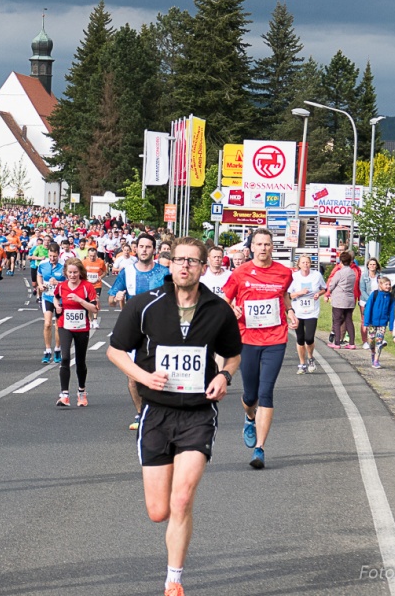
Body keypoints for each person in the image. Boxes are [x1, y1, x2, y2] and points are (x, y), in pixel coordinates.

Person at [106, 236, 242, 596]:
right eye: (179, 260)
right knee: (157, 510)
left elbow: (233, 355)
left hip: (198, 413)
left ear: (202, 267)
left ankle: (174, 580)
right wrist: (143, 376)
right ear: (170, 265)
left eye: (192, 261)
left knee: (182, 499)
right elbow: (115, 351)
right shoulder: (145, 305)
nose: (184, 266)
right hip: (157, 413)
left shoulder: (218, 309)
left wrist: (224, 376)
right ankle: (173, 561)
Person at [221, 228, 295, 469]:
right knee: (250, 395)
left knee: (266, 392)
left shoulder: (284, 273)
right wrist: (232, 310)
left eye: (267, 244)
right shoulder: (240, 273)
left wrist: (290, 311)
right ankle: (249, 416)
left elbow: (284, 295)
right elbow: (225, 298)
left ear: (272, 247)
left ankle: (260, 449)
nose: (263, 248)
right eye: (259, 244)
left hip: (275, 338)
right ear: (251, 247)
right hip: (247, 338)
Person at [109, 233, 172, 430]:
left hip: (160, 330)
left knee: (161, 373)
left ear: (154, 250)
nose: (144, 250)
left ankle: (163, 411)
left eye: (148, 247)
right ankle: (141, 413)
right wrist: (117, 296)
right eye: (141, 246)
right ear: (136, 249)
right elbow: (111, 299)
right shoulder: (127, 272)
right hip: (134, 329)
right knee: (133, 377)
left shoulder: (164, 273)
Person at [53, 257, 98, 407]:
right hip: (64, 325)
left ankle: (81, 392)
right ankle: (64, 394)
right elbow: (55, 297)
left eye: (75, 273)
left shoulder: (87, 287)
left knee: (80, 361)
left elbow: (95, 308)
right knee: (65, 358)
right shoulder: (61, 286)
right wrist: (57, 307)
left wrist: (80, 300)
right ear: (65, 273)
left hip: (81, 327)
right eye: (69, 272)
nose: (72, 275)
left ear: (80, 273)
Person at [288, 254, 325, 374]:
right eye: (303, 262)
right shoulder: (294, 277)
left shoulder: (317, 275)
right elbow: (288, 295)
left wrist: (318, 294)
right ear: (298, 265)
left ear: (310, 264)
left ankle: (310, 358)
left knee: (309, 338)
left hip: (312, 311)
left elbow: (324, 288)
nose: (305, 265)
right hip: (298, 311)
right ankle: (302, 363)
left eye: (307, 262)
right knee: (300, 339)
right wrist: (299, 293)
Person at [36, 243, 64, 363]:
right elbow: (39, 276)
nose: (52, 258)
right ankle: (47, 350)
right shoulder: (43, 265)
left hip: (60, 298)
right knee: (47, 324)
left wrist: (58, 283)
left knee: (58, 325)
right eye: (51, 256)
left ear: (58, 254)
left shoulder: (64, 266)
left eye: (55, 256)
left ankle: (57, 349)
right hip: (47, 297)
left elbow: (70, 282)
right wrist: (40, 285)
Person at [325, 252, 358, 350]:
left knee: (337, 321)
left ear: (341, 261)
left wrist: (328, 292)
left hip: (339, 299)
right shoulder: (353, 272)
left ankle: (337, 342)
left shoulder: (339, 272)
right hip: (350, 299)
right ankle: (352, 343)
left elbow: (332, 284)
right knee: (349, 321)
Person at [362, 276, 395, 369]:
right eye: (386, 284)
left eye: (389, 284)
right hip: (372, 323)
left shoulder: (391, 297)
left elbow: (392, 312)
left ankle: (376, 360)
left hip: (382, 324)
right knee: (371, 341)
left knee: (379, 341)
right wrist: (366, 323)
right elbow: (368, 309)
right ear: (380, 285)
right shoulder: (375, 294)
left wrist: (391, 327)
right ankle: (373, 353)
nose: (388, 286)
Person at [82, 246, 108, 328]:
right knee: (89, 303)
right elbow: (80, 272)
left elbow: (105, 271)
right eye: (90, 256)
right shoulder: (84, 262)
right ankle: (90, 321)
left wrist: (101, 277)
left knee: (95, 301)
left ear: (96, 254)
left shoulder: (100, 262)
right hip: (87, 285)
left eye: (93, 255)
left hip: (97, 285)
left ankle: (95, 320)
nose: (92, 257)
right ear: (88, 255)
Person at [359, 258, 382, 349]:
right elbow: (362, 289)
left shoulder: (380, 276)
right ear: (368, 266)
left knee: (375, 321)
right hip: (365, 301)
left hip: (377, 301)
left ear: (376, 266)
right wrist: (369, 300)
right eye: (370, 264)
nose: (372, 266)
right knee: (365, 321)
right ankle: (365, 341)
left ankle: (374, 339)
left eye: (374, 264)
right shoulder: (364, 276)